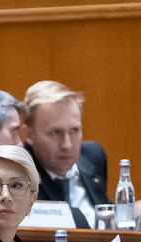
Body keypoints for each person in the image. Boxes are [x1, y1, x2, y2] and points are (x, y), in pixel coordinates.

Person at [22, 80, 110, 227]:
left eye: (74, 130)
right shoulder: (18, 173)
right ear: (29, 134)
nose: (67, 145)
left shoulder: (93, 156)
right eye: (55, 132)